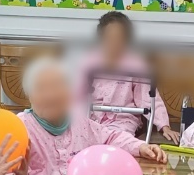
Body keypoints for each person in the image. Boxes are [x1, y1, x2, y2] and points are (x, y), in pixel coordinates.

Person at [21, 56, 165, 175]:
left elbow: (110, 137)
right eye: (41, 89)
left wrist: (141, 147)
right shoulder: (20, 130)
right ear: (29, 95)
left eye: (57, 86)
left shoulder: (78, 122)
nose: (51, 96)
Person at [76, 11, 177, 141]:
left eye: (119, 38)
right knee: (79, 134)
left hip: (122, 120)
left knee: (117, 141)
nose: (115, 43)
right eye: (110, 38)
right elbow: (77, 95)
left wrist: (164, 126)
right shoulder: (90, 62)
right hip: (91, 115)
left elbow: (148, 97)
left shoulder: (136, 65)